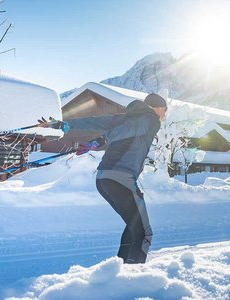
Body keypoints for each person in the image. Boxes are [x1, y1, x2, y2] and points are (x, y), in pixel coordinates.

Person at [38, 93, 167, 264]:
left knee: (133, 225)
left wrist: (65, 124)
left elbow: (96, 121)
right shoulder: (151, 120)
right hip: (121, 178)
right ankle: (135, 275)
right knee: (144, 233)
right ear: (158, 108)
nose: (164, 115)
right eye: (164, 110)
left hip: (103, 179)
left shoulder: (125, 118)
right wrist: (99, 141)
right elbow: (130, 129)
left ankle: (122, 270)